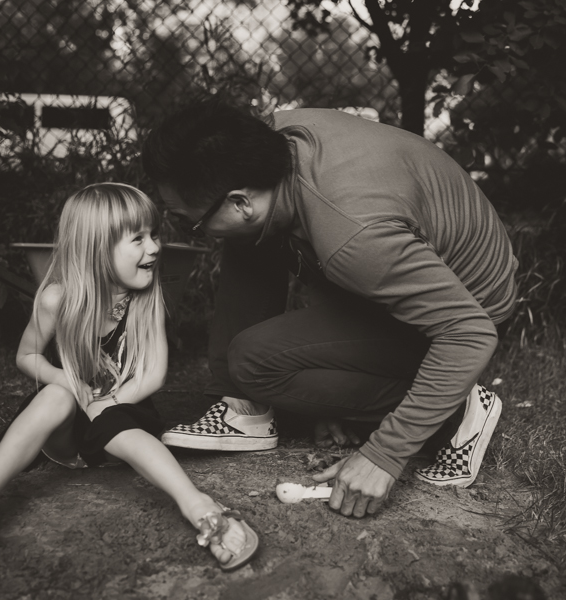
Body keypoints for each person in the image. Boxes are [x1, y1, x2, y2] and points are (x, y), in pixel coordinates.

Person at [142, 99, 518, 519]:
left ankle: (457, 411)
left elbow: (469, 331)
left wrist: (384, 453)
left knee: (256, 361)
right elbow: (325, 252)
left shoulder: (354, 234)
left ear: (240, 201)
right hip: (395, 272)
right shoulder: (277, 140)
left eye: (189, 221)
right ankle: (242, 409)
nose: (194, 231)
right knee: (251, 239)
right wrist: (322, 398)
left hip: (461, 311)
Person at [0, 183, 258, 585]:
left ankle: (201, 507)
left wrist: (107, 401)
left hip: (119, 427)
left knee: (112, 418)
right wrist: (71, 382)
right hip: (64, 436)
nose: (155, 248)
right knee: (56, 394)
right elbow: (27, 356)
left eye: (154, 234)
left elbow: (153, 375)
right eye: (138, 239)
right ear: (96, 248)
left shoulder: (146, 299)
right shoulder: (57, 298)